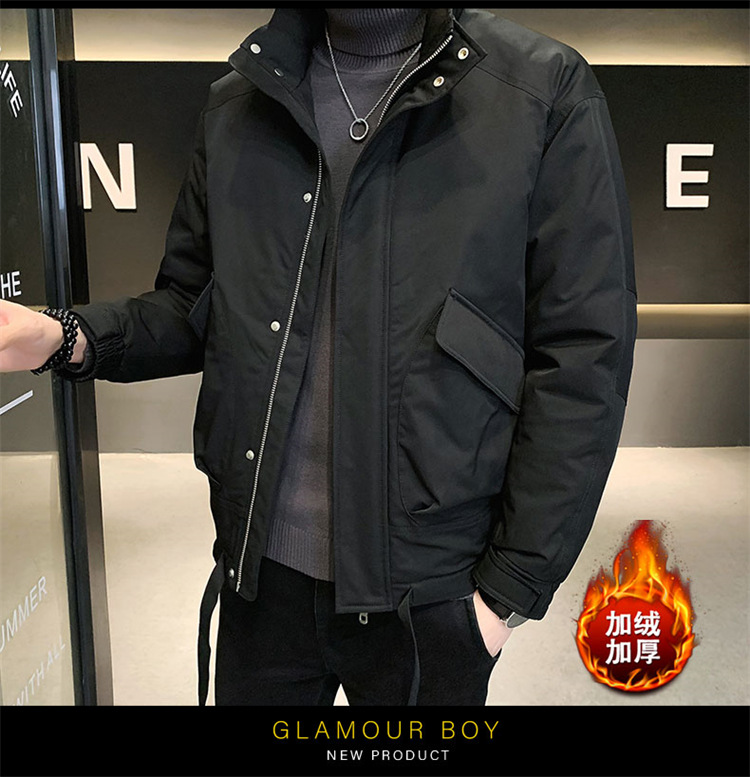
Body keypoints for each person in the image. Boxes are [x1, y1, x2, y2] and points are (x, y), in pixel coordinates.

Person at [0, 8, 637, 706]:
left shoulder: (541, 90)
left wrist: (505, 595)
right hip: (261, 583)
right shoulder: (240, 101)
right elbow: (193, 307)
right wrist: (62, 335)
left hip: (429, 598)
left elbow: (582, 355)